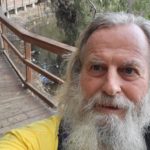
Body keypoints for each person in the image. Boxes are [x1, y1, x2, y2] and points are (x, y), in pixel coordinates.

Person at [1, 12, 150, 150]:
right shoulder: (30, 142)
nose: (111, 87)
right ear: (77, 76)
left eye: (129, 71)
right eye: (97, 67)